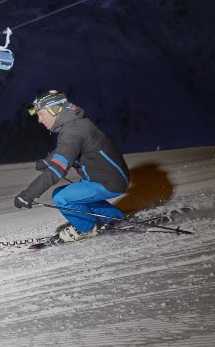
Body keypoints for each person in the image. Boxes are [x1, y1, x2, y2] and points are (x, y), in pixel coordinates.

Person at [14, 90, 130, 242]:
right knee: (77, 194)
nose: (39, 120)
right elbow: (65, 149)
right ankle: (114, 219)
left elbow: (57, 170)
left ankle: (86, 229)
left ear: (55, 110)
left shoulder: (72, 132)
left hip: (108, 182)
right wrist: (46, 161)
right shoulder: (76, 125)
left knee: (62, 197)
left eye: (41, 114)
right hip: (107, 178)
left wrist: (28, 194)